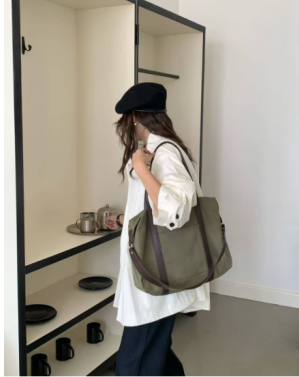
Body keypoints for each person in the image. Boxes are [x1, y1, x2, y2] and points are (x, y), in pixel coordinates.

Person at [104, 82, 210, 376]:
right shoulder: (162, 148)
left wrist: (139, 169)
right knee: (157, 353)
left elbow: (174, 210)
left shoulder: (162, 153)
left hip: (153, 277)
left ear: (133, 118)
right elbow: (153, 205)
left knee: (132, 365)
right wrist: (124, 220)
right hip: (157, 274)